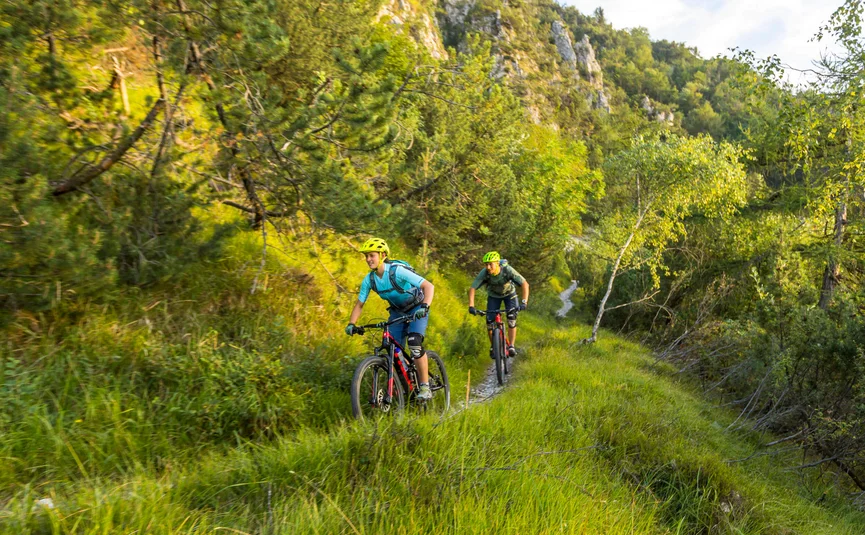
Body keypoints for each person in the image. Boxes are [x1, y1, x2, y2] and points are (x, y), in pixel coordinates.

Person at [345, 238, 435, 400]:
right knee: (393, 350)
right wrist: (352, 324)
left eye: (372, 255)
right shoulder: (370, 280)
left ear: (383, 255)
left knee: (414, 342)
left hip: (417, 308)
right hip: (397, 312)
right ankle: (407, 388)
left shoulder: (396, 271)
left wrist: (424, 306)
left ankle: (425, 386)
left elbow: (428, 286)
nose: (368, 259)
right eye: (366, 256)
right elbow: (359, 304)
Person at [468, 251, 529, 357]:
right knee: (489, 321)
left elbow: (524, 284)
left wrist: (524, 302)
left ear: (497, 263)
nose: (488, 267)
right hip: (494, 296)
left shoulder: (507, 270)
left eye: (490, 264)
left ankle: (511, 346)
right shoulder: (485, 273)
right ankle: (493, 346)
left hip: (509, 294)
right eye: (486, 264)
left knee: (511, 318)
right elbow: (473, 288)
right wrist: (471, 305)